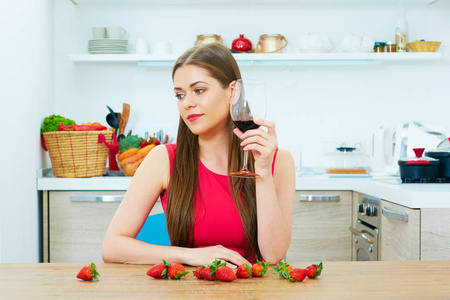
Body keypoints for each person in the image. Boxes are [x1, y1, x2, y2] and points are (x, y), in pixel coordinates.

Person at [102, 43, 295, 267]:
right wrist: (190, 255)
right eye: (180, 95)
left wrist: (262, 172)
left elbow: (273, 256)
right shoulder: (162, 159)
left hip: (254, 289)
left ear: (233, 92)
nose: (187, 103)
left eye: (199, 90)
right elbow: (112, 246)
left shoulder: (278, 162)